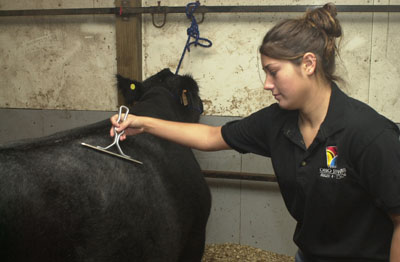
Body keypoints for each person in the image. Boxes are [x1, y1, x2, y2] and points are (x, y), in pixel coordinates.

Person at [110, 3, 400, 261]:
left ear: (308, 64)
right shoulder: (277, 122)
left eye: (273, 72)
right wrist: (143, 123)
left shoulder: (370, 134)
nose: (266, 84)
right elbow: (211, 137)